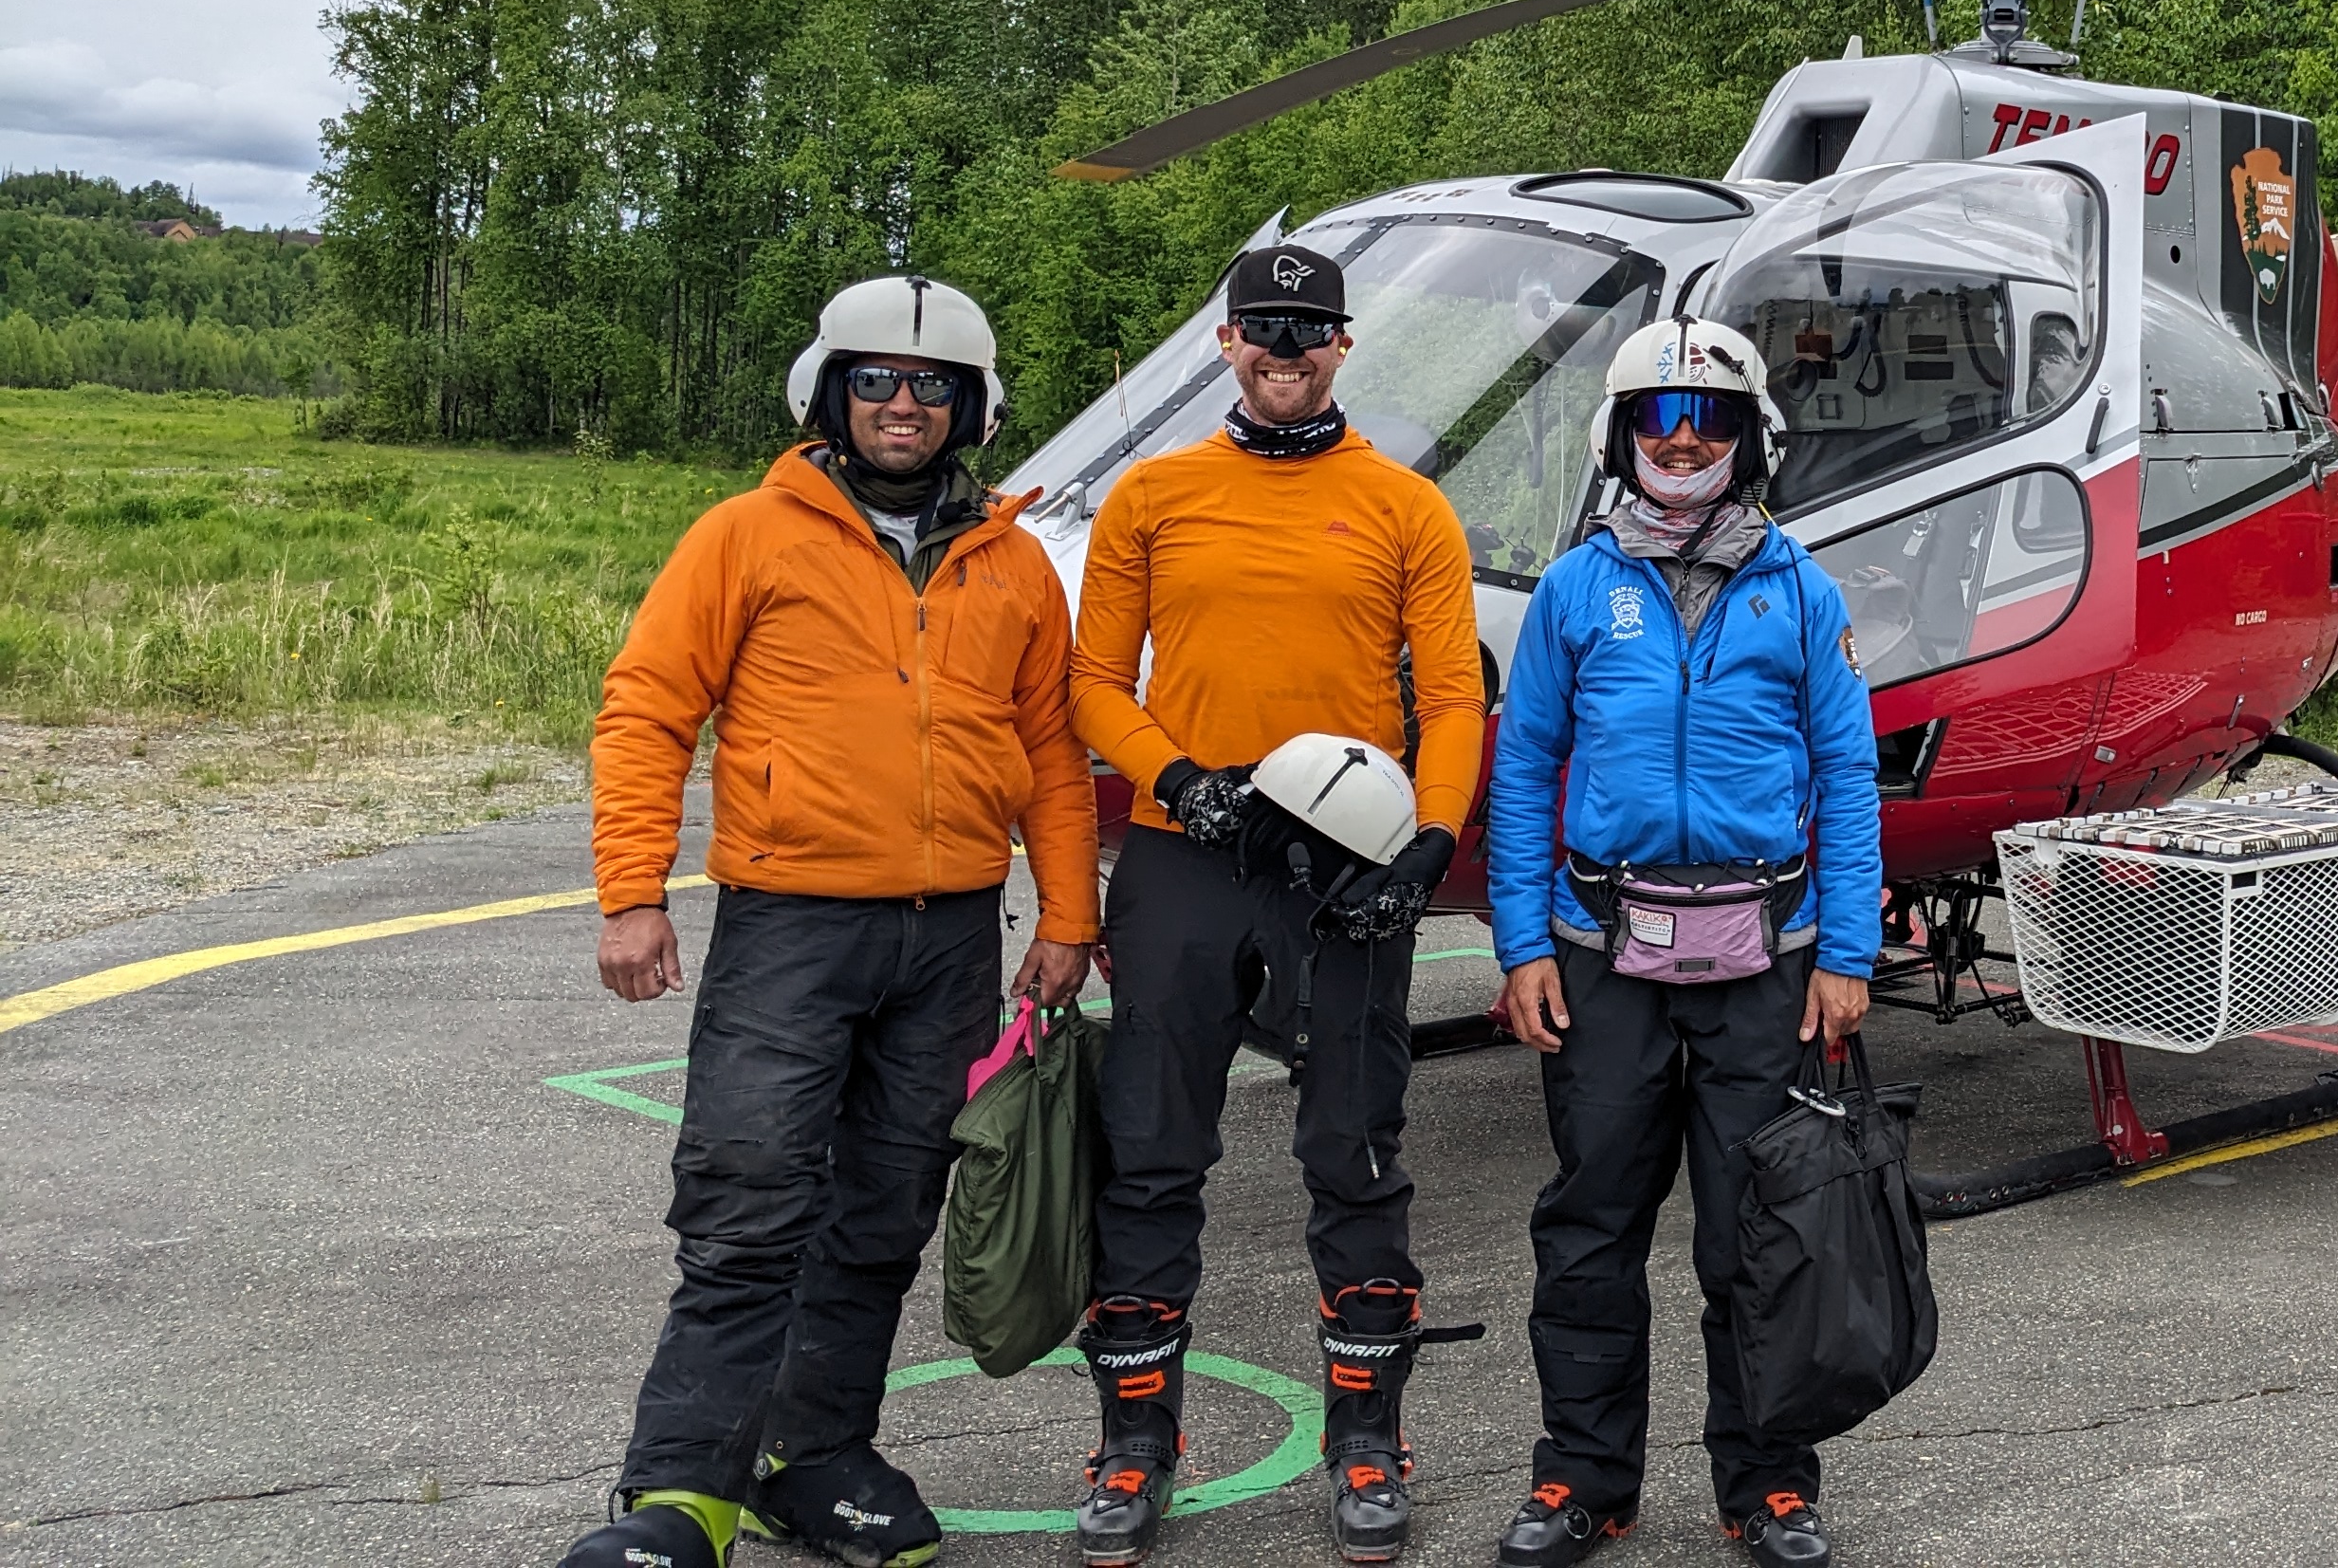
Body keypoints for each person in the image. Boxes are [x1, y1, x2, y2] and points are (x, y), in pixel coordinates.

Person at [563, 275, 1100, 1568]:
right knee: (749, 1202)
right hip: (789, 930)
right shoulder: (745, 535)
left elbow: (1048, 749)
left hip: (951, 939)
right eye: (875, 381)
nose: (901, 405)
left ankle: (818, 1453)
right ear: (830, 393)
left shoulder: (1016, 561)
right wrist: (632, 893)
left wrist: (1069, 913)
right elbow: (646, 708)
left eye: (929, 386)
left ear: (970, 407)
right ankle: (682, 1492)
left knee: (887, 1208)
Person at [1066, 240, 1485, 1568]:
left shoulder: (1409, 507)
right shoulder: (1153, 493)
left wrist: (1426, 846)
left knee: (1354, 1151)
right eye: (1264, 329)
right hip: (1187, 851)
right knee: (1149, 1150)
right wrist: (1177, 782)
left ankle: (1369, 1436)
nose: (1286, 351)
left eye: (1310, 330)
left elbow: (1458, 697)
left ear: (1345, 346)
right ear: (1228, 345)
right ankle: (1137, 1441)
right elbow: (1090, 682)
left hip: (1346, 862)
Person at [1485, 316, 1883, 1568]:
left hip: (1767, 958)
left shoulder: (1800, 589)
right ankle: (1586, 1481)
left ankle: (1766, 1481)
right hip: (1601, 955)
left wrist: (1850, 955)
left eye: (1708, 420)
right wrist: (1518, 943)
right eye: (1655, 417)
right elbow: (1524, 767)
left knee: (1756, 1233)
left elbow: (1848, 773)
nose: (1681, 440)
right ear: (1619, 438)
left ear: (1748, 440)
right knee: (1592, 1224)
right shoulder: (1573, 589)